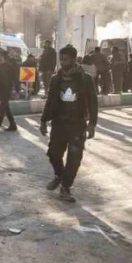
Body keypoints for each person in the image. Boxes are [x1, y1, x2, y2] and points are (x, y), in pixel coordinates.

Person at [39, 45, 98, 203]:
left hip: (77, 124)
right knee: (53, 154)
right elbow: (50, 101)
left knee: (74, 157)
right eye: (61, 59)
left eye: (66, 59)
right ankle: (59, 175)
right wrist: (43, 120)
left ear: (73, 59)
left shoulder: (85, 79)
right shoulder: (55, 79)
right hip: (59, 123)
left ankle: (66, 187)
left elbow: (93, 102)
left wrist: (92, 124)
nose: (63, 62)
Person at [0, 52, 18, 133]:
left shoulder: (9, 66)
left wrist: (17, 91)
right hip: (1, 89)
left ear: (2, 57)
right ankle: (13, 125)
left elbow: (15, 79)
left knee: (2, 108)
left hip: (6, 89)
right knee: (6, 108)